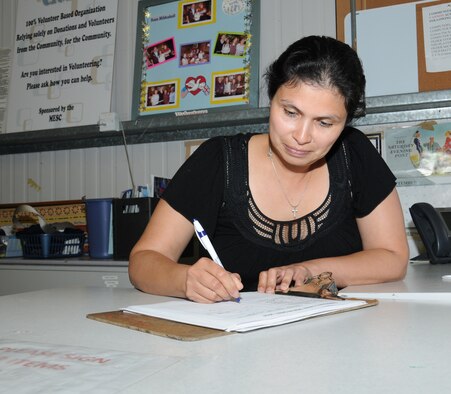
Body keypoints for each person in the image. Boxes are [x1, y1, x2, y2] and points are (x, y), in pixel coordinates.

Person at [129, 35, 409, 303]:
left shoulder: (355, 154)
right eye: (290, 112)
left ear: (346, 121)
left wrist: (311, 270)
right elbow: (144, 261)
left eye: (324, 123)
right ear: (271, 99)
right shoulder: (217, 160)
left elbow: (392, 258)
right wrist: (184, 279)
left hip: (340, 340)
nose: (301, 136)